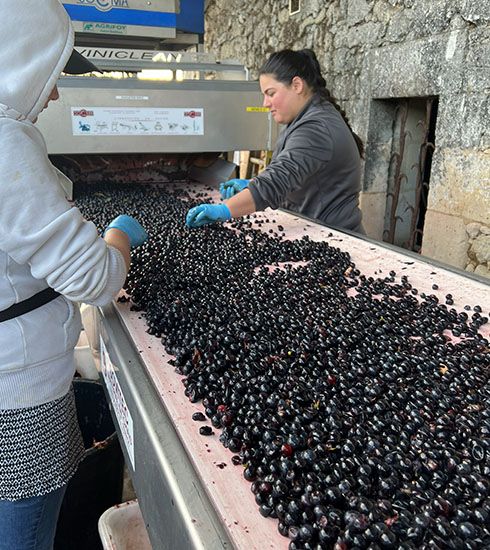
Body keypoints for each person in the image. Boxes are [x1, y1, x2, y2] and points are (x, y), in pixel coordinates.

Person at [0, 2, 148, 549]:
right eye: (52, 73)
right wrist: (119, 236)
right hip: (18, 394)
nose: (56, 94)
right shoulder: (4, 141)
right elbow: (95, 279)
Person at [186, 49, 365, 233]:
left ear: (297, 85)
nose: (265, 103)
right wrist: (251, 184)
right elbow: (289, 173)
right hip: (312, 229)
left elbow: (278, 180)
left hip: (335, 236)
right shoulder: (299, 119)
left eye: (271, 93)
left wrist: (224, 210)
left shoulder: (316, 128)